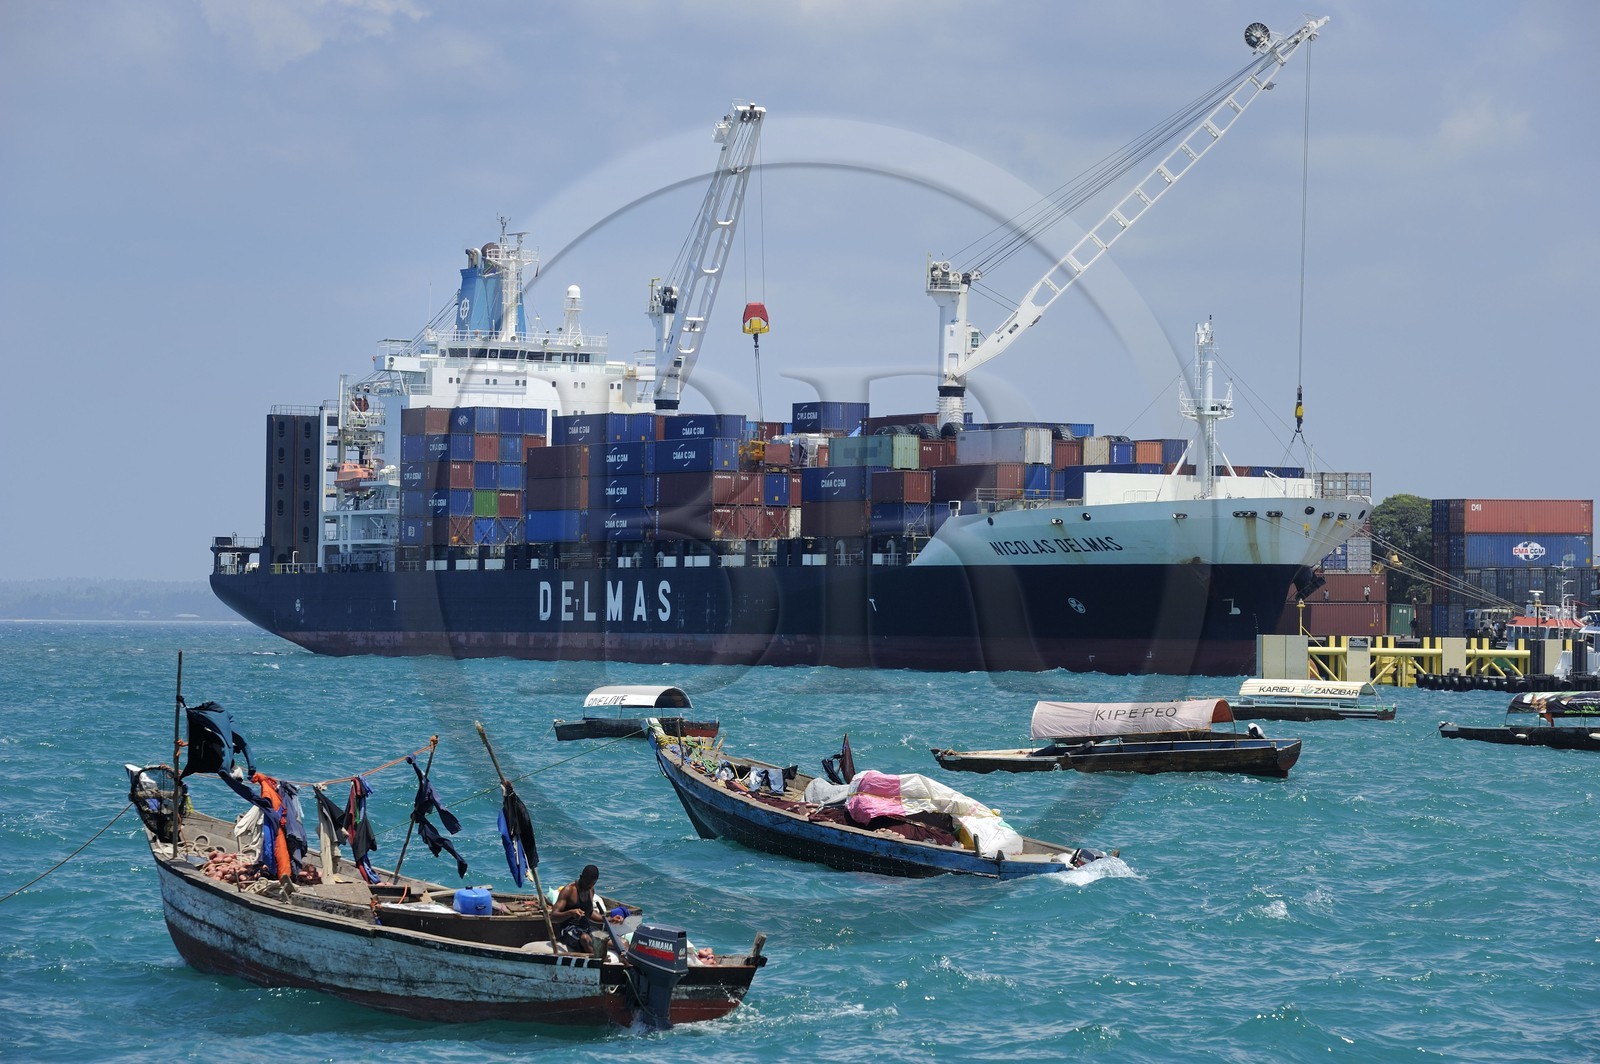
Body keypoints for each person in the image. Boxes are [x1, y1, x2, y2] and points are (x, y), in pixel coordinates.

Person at [553, 864, 602, 953]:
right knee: (585, 938)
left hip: (586, 929)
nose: (588, 887)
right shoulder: (569, 890)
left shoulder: (591, 890)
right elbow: (553, 917)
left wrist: (607, 919)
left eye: (592, 884)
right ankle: (600, 964)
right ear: (581, 877)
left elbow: (589, 913)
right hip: (568, 930)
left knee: (619, 941)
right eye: (587, 884)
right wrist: (570, 913)